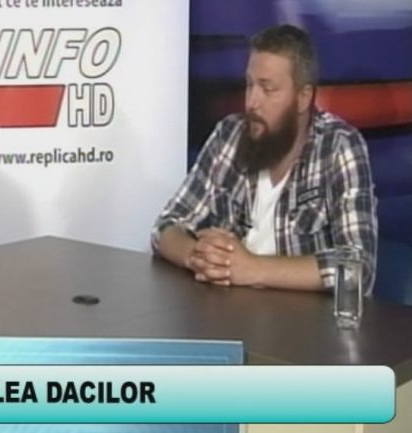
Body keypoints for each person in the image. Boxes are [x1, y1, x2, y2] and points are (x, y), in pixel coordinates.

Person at [152, 24, 377, 294]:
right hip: (225, 309)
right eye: (250, 85)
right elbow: (166, 226)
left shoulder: (339, 146)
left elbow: (358, 268)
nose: (252, 102)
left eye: (267, 89)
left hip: (302, 317)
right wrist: (196, 255)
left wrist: (253, 268)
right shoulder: (229, 135)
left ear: (303, 97)